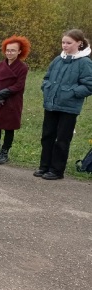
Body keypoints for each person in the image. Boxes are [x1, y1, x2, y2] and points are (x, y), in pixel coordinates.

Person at [35, 29, 92, 180]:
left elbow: (89, 85)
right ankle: (44, 166)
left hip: (69, 108)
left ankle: (56, 170)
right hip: (51, 105)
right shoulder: (57, 60)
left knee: (62, 139)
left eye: (69, 43)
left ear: (79, 43)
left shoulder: (85, 62)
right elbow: (46, 78)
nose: (65, 45)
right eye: (63, 42)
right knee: (47, 136)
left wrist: (72, 93)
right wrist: (46, 87)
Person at [0, 36, 30, 164]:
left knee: (9, 127)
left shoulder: (22, 67)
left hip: (12, 101)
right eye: (8, 50)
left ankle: (4, 152)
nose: (9, 53)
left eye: (13, 50)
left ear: (19, 51)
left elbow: (19, 85)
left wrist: (3, 94)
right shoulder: (0, 65)